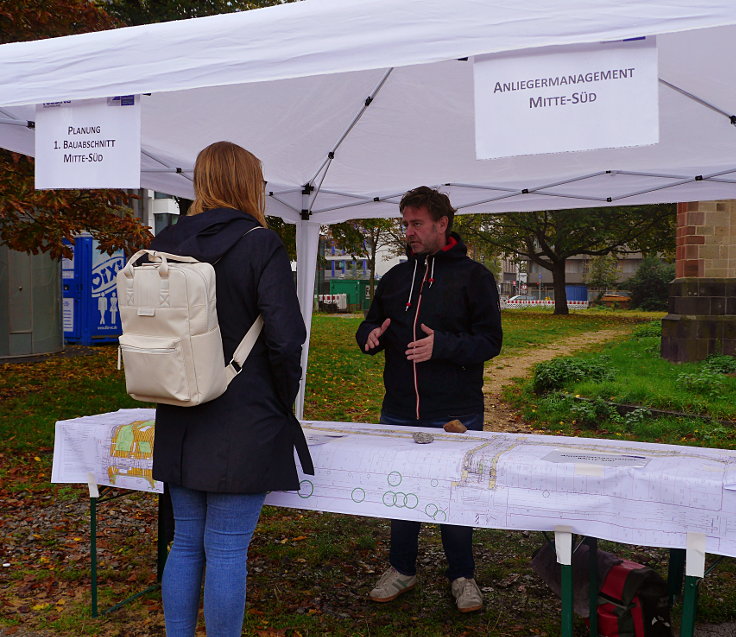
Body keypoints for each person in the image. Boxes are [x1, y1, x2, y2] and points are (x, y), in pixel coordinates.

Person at [151, 141, 313, 637]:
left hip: (179, 405)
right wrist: (281, 399)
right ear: (247, 183)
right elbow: (287, 338)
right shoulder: (259, 243)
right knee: (224, 548)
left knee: (185, 543)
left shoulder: (168, 240)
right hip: (245, 413)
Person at [355, 186, 502, 613]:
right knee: (401, 492)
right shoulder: (396, 277)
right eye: (405, 224)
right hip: (398, 409)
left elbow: (490, 341)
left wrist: (444, 347)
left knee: (456, 494)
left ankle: (463, 575)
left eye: (417, 223)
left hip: (455, 412)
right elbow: (368, 322)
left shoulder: (475, 277)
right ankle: (402, 568)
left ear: (443, 224)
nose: (409, 232)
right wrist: (370, 337)